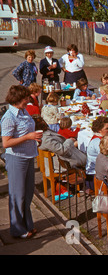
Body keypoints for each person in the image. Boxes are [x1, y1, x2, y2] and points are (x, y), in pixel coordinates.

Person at [1, 85, 42, 238]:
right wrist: (28, 137)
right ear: (18, 99)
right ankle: (17, 229)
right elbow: (6, 143)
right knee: (17, 194)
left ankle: (27, 224)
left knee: (28, 192)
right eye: (26, 98)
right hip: (16, 158)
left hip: (28, 155)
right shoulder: (9, 118)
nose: (28, 100)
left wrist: (34, 139)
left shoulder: (23, 111)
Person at [85, 116, 108, 195]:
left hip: (95, 174)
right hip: (94, 178)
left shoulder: (98, 138)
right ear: (100, 130)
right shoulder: (97, 142)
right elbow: (106, 160)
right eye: (107, 129)